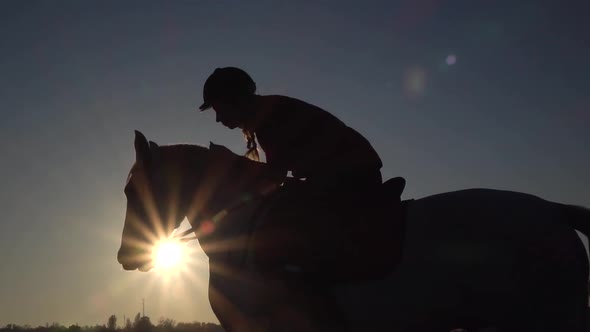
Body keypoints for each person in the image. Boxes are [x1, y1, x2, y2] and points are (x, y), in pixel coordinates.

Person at [198, 67, 398, 281]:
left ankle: (304, 280)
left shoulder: (270, 117)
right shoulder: (268, 113)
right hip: (346, 170)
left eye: (219, 108)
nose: (218, 118)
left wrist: (233, 165)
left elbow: (274, 178)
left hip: (346, 174)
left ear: (234, 99)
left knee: (285, 226)